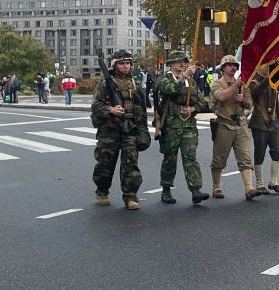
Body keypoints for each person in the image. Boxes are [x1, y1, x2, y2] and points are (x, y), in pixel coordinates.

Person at [90, 50, 150, 210]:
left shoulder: (135, 82)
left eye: (128, 63)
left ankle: (130, 196)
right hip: (109, 130)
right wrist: (110, 110)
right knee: (105, 163)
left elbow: (141, 108)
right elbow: (96, 105)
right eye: (122, 63)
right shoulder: (105, 83)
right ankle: (102, 191)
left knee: (130, 164)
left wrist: (143, 130)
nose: (126, 66)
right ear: (115, 65)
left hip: (130, 129)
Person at [155, 51, 210, 205]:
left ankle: (195, 190)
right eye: (179, 61)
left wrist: (192, 109)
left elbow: (202, 102)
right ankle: (166, 189)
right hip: (171, 126)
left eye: (184, 61)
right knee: (170, 159)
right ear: (171, 63)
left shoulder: (190, 81)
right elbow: (170, 89)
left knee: (190, 158)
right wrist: (184, 76)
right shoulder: (163, 79)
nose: (182, 64)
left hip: (188, 126)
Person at [209, 55, 259, 200]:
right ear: (223, 68)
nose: (233, 68)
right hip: (224, 124)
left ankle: (249, 187)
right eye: (230, 65)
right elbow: (221, 97)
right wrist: (236, 85)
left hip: (240, 124)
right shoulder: (217, 84)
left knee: (245, 157)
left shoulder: (243, 84)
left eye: (235, 65)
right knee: (219, 158)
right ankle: (216, 186)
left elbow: (250, 104)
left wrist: (243, 100)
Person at [248, 64, 279, 194]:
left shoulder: (274, 81)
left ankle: (274, 181)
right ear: (258, 68)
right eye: (264, 66)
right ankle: (259, 183)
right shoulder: (253, 82)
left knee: (277, 150)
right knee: (260, 152)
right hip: (259, 122)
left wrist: (278, 121)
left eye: (269, 67)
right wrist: (268, 79)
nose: (267, 69)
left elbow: (276, 102)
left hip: (273, 121)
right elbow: (256, 91)